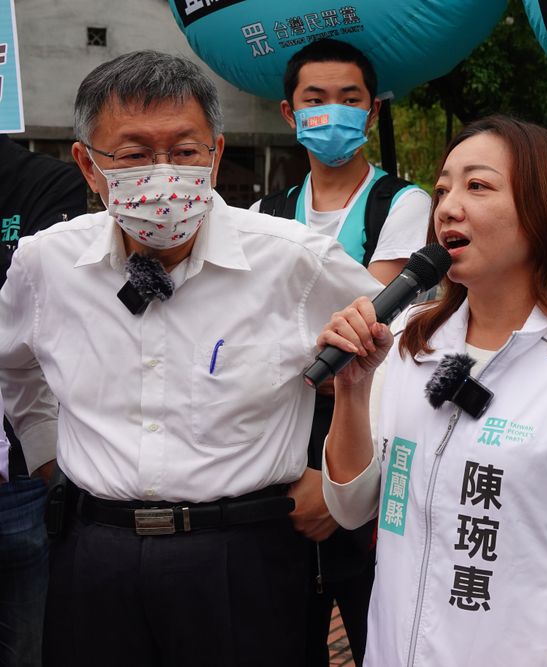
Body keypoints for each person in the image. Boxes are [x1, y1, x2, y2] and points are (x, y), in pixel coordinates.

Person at [0, 50, 382, 666]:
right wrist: (47, 456)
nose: (162, 174)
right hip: (94, 555)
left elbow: (408, 349)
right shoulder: (47, 264)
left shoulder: (292, 260)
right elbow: (14, 368)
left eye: (183, 151)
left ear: (216, 153)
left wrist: (338, 480)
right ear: (88, 166)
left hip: (242, 558)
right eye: (132, 155)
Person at [321, 115, 547, 666]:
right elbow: (352, 508)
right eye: (444, 187)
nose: (448, 206)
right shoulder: (407, 341)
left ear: (543, 211)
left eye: (478, 186)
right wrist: (352, 393)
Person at [252, 38, 430, 666]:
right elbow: (250, 348)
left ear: (373, 112)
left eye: (349, 99)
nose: (333, 113)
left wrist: (293, 361)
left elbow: (371, 341)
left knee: (375, 625)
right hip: (282, 463)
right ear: (288, 112)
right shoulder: (265, 211)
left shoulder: (404, 206)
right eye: (315, 100)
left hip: (365, 443)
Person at [0, 136, 87, 667]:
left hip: (20, 485)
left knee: (30, 649)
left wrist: (46, 455)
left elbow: (43, 309)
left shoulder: (44, 180)